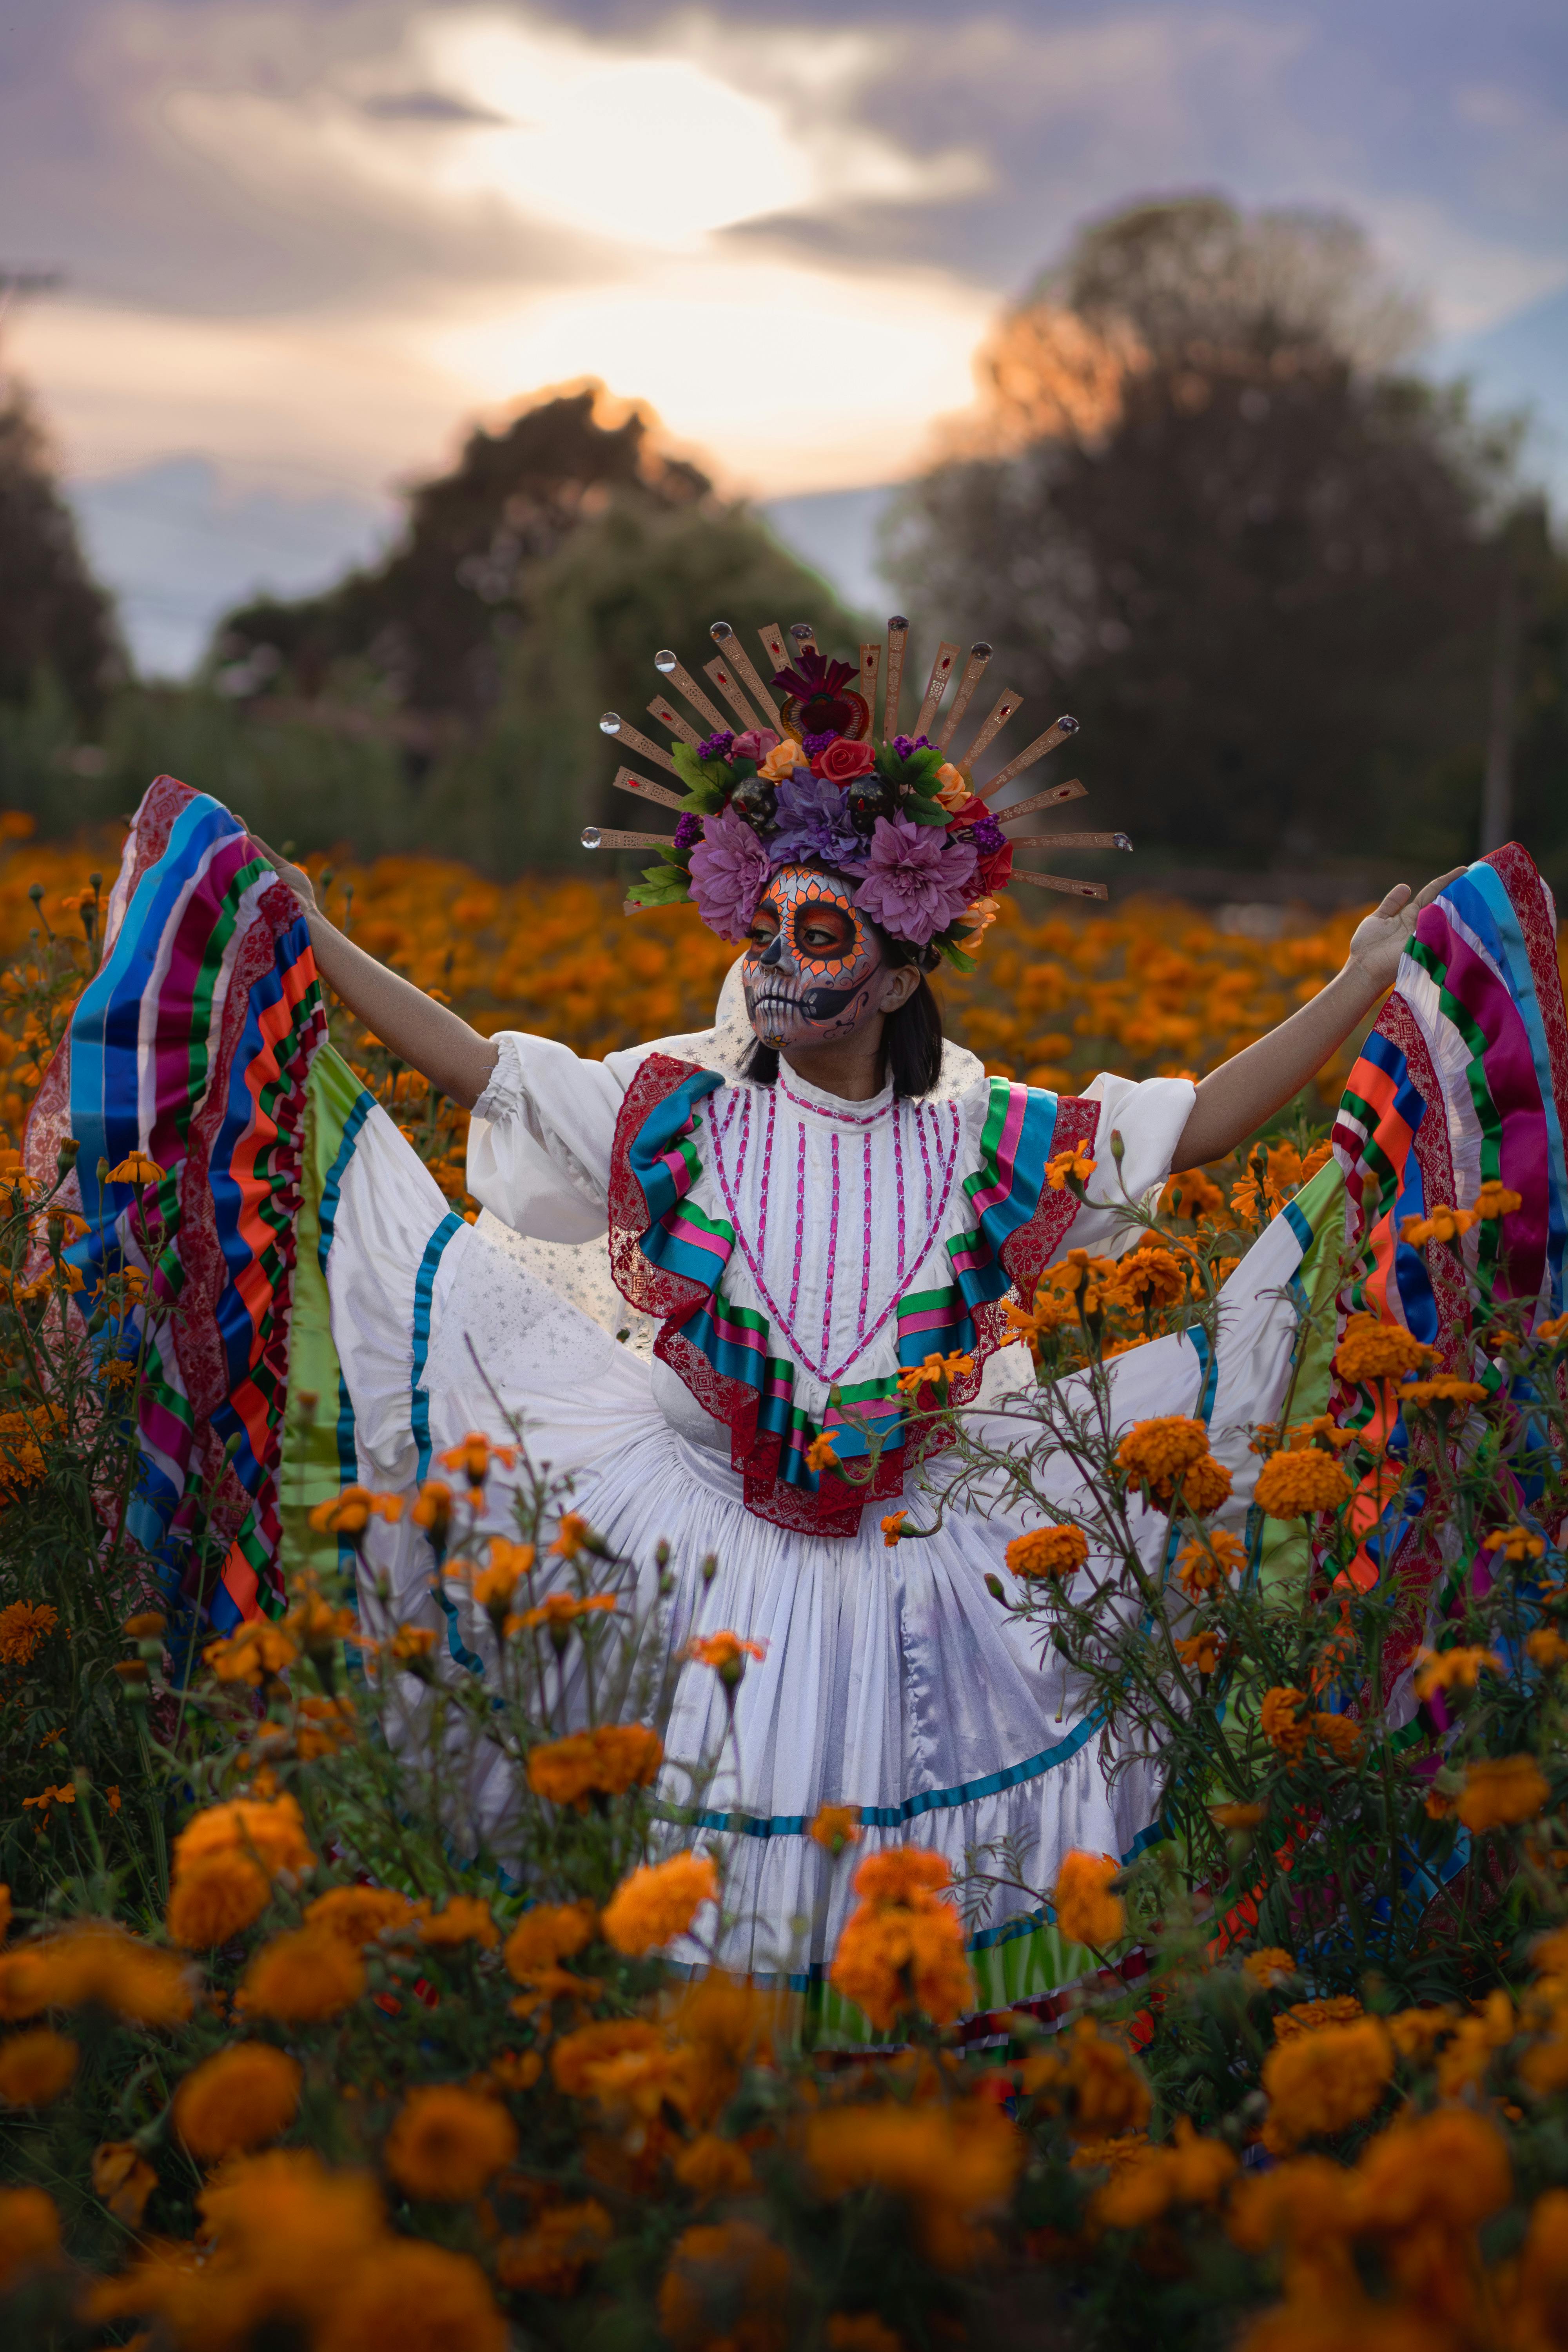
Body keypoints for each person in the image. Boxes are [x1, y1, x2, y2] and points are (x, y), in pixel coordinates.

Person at [36, 626, 1560, 2032]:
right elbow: (478, 1069)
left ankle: (905, 2131)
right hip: (686, 1548)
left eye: (817, 931)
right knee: (702, 1876)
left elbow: (1197, 1131)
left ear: (900, 966)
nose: (773, 959)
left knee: (897, 1894)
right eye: (759, 923)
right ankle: (708, 2113)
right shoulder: (670, 1113)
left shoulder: (989, 1143)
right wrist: (310, 935)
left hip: (921, 1573)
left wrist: (1359, 987)